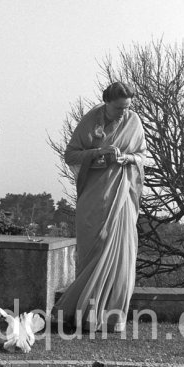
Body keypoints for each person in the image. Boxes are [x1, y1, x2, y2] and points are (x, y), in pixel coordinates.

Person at [52, 81, 146, 332]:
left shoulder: (134, 121)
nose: (123, 113)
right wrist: (97, 153)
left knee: (122, 252)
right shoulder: (90, 120)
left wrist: (126, 158)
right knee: (95, 250)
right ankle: (81, 313)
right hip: (93, 197)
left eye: (127, 108)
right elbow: (71, 155)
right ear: (106, 103)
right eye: (118, 109)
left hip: (121, 195)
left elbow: (141, 156)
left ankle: (110, 317)